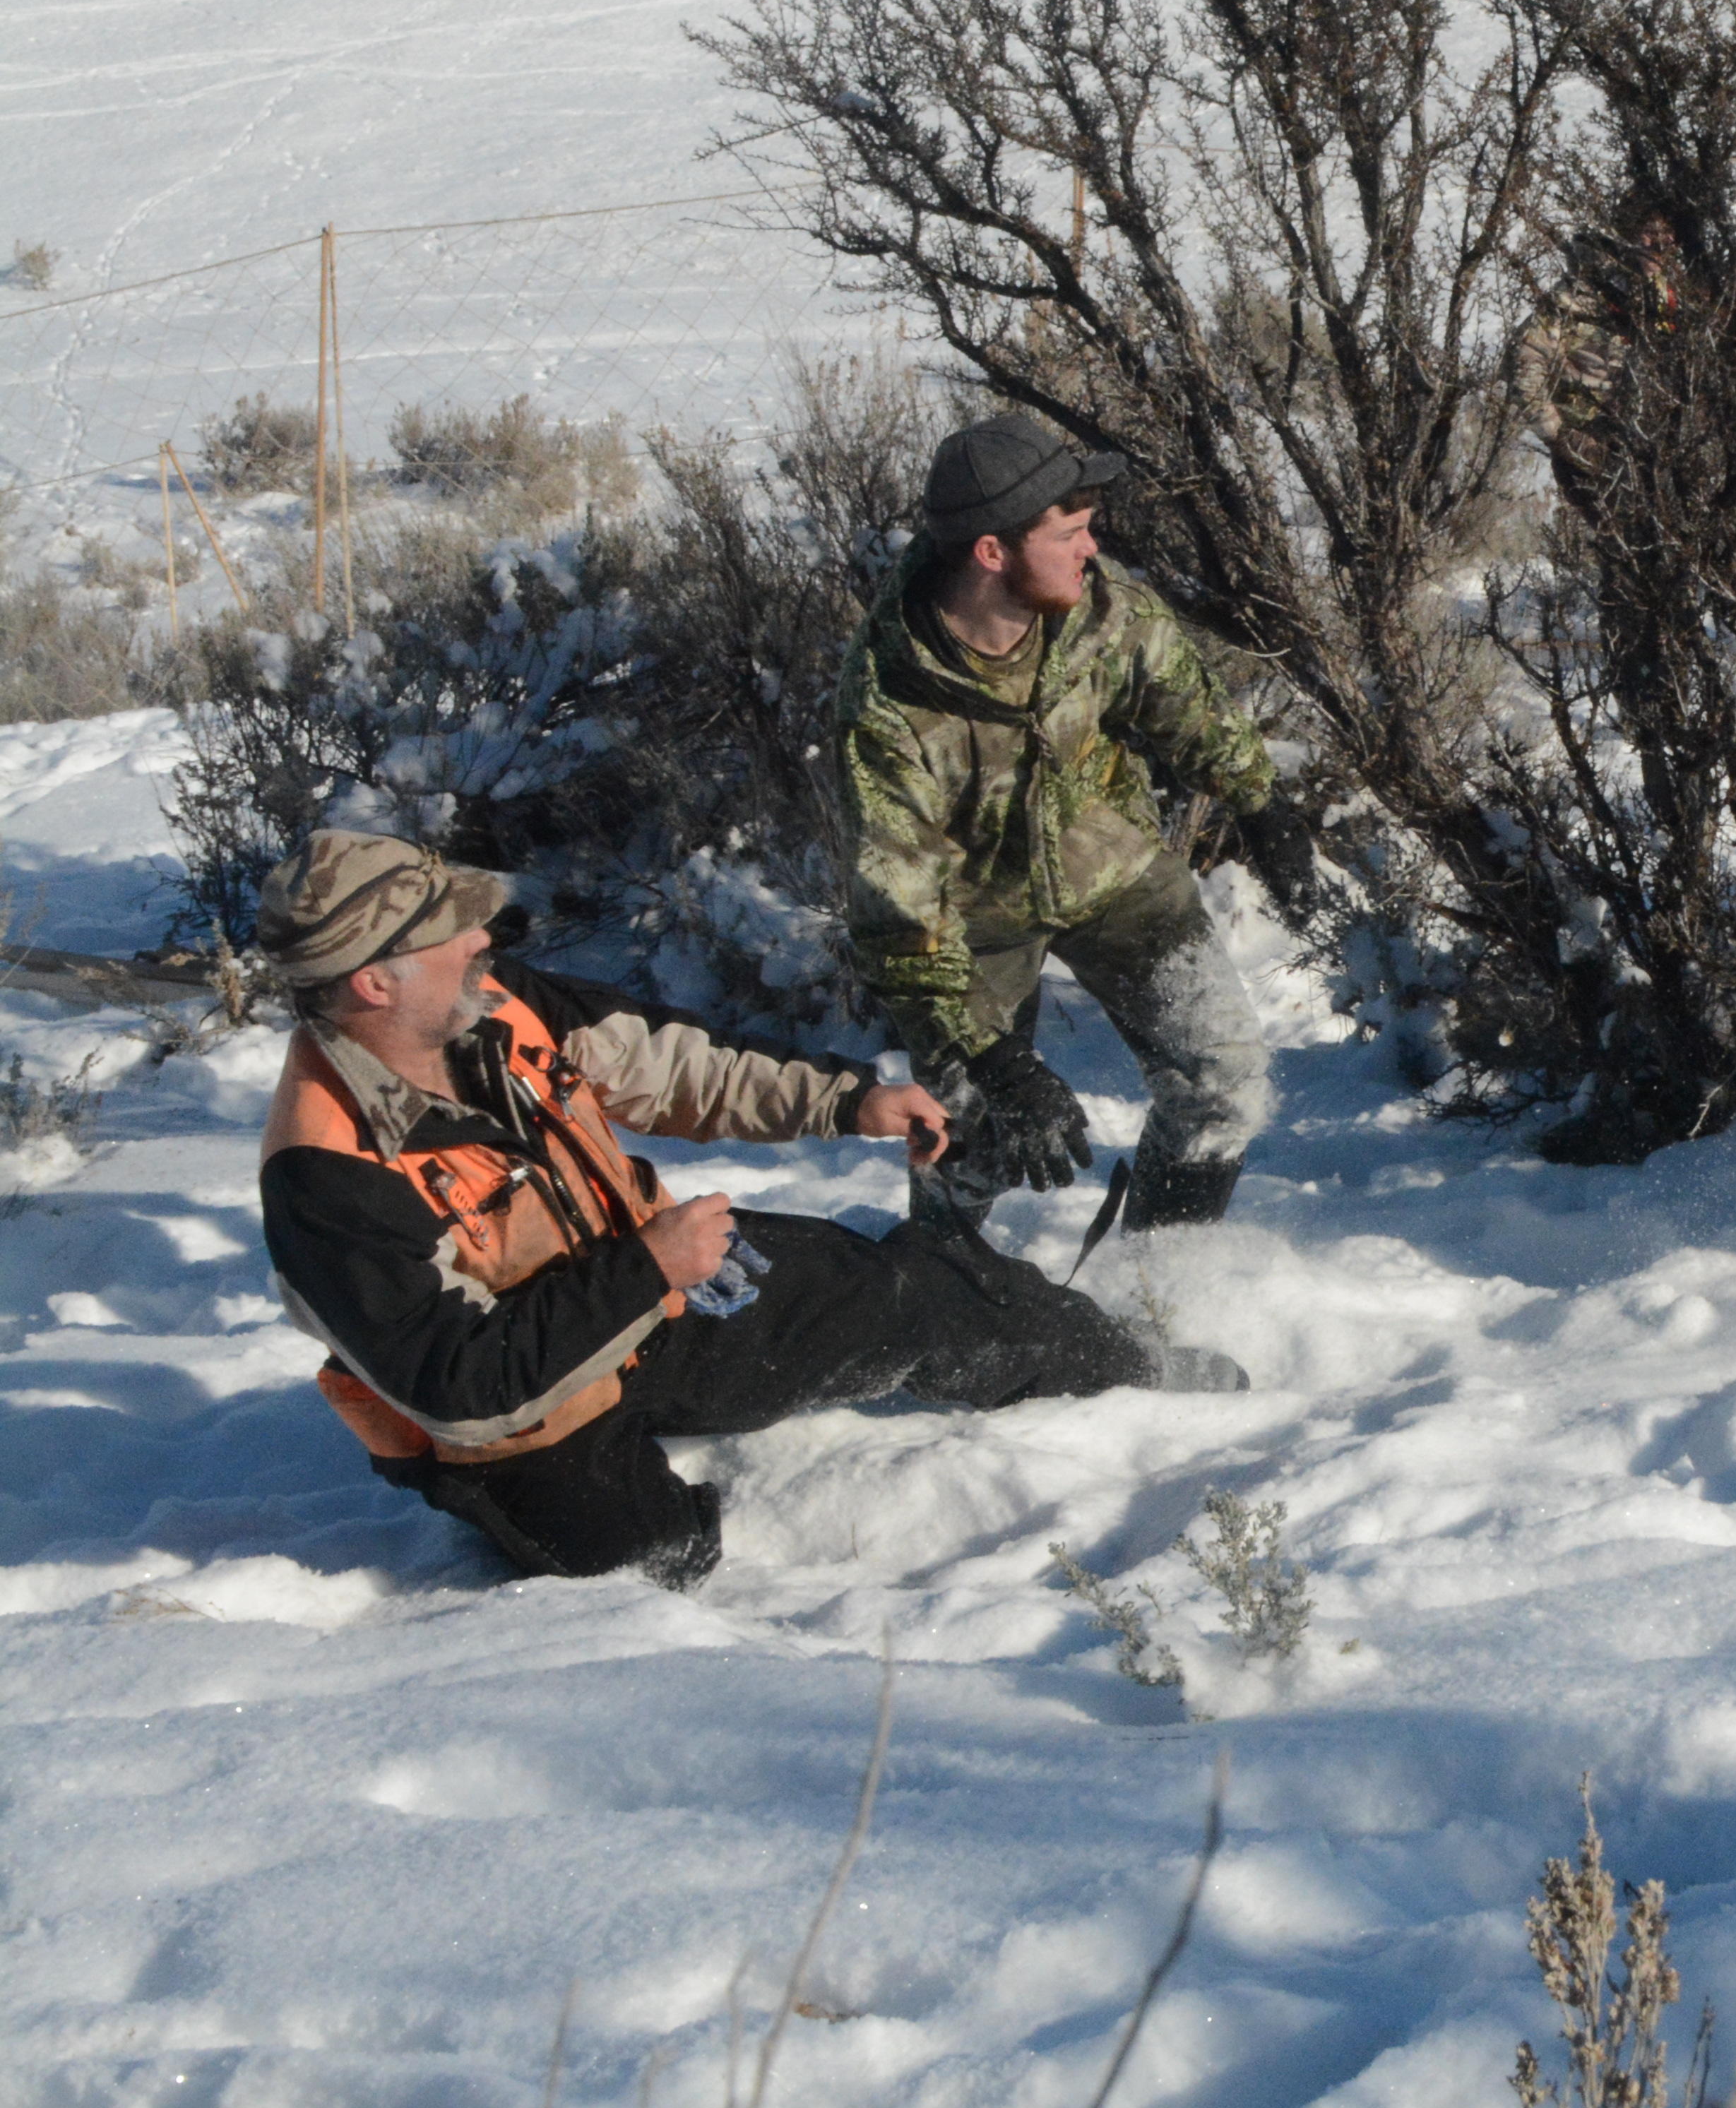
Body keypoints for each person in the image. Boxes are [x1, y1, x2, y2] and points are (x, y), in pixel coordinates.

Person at [252, 831, 1186, 1588]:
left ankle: (1145, 1377)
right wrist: (647, 1268)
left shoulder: (494, 1005)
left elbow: (666, 1064)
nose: (481, 941)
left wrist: (846, 1100)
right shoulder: (323, 1175)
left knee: (909, 1298)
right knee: (640, 1562)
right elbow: (460, 1386)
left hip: (657, 1292)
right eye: (451, 932)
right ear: (375, 982)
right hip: (527, 1413)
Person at [834, 409, 1319, 1241]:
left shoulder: (1097, 608)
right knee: (967, 1140)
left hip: (1114, 871)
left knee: (1223, 1081)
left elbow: (1180, 699)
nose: (1092, 549)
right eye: (1072, 532)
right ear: (993, 552)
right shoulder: (887, 707)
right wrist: (996, 1059)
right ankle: (947, 1321)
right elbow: (905, 913)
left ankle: (1161, 1292)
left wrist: (1261, 802)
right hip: (967, 929)